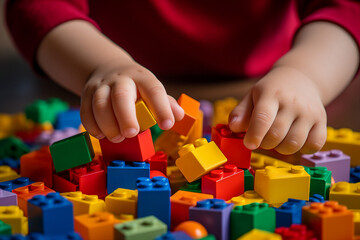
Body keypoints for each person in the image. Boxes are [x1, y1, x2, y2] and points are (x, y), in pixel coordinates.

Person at [6, 1, 360, 155]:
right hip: (84, 66)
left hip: (269, 75)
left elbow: (347, 7)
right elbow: (36, 6)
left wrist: (307, 74)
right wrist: (101, 65)